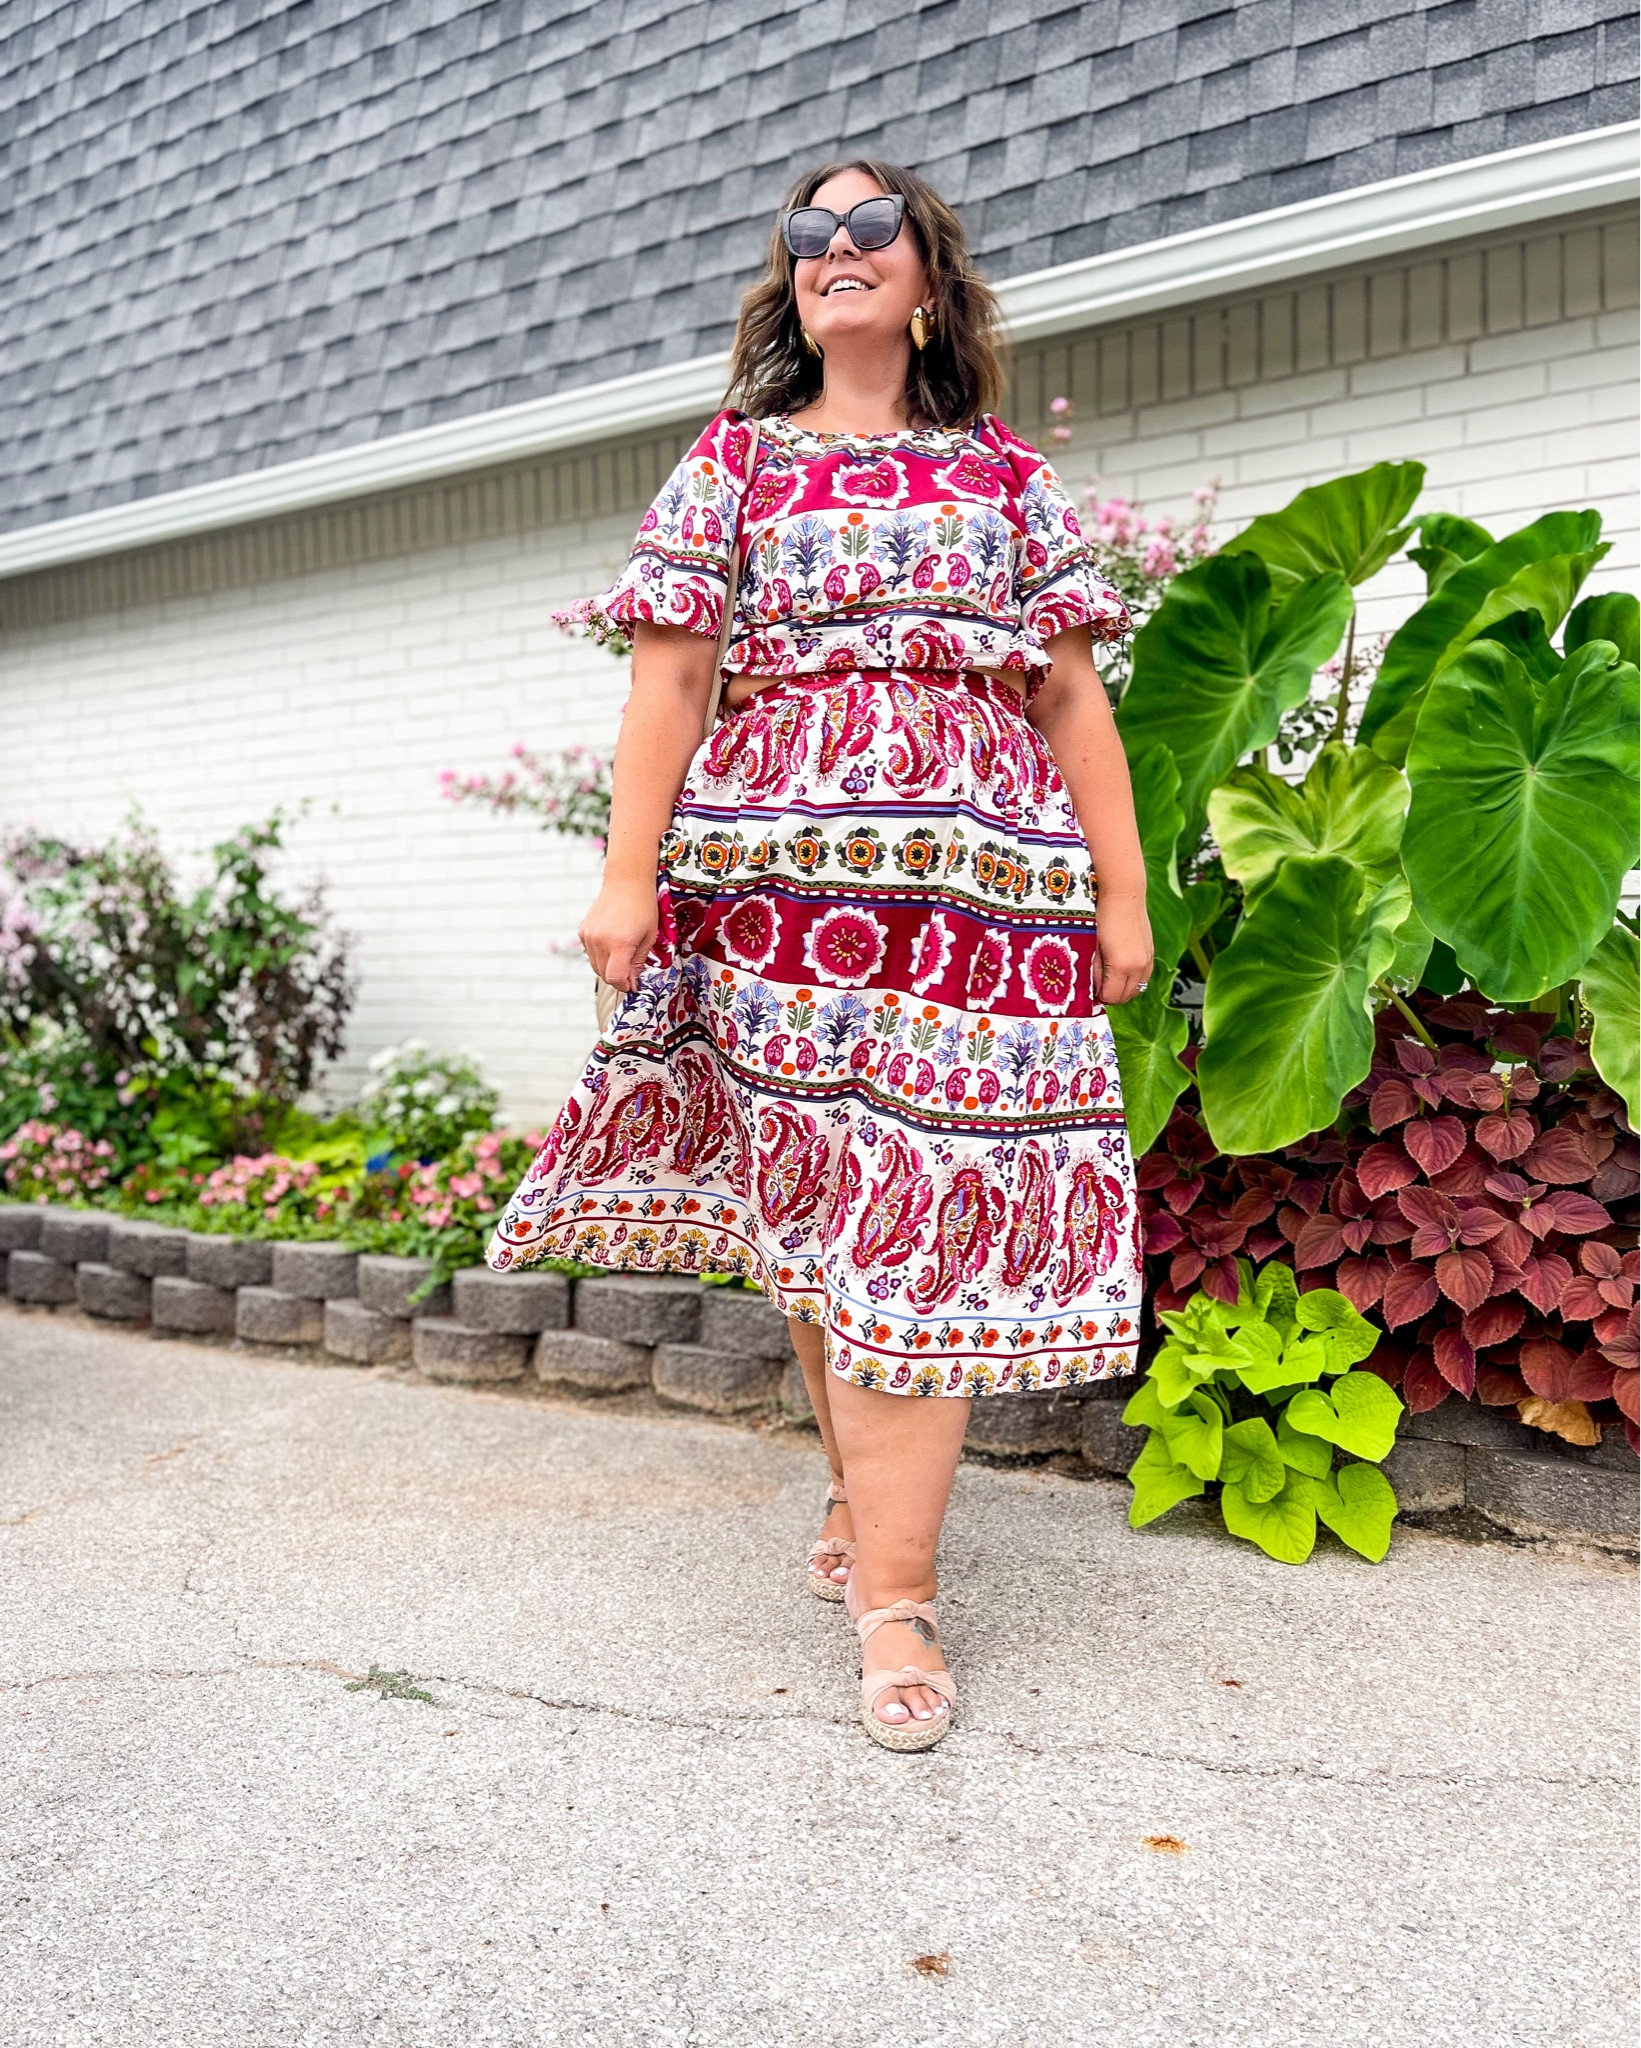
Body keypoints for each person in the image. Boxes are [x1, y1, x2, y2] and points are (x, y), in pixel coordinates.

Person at [488, 159, 1153, 1752]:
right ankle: (866, 1507)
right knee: (814, 1208)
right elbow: (669, 679)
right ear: (789, 281)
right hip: (769, 895)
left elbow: (1067, 698)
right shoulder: (732, 462)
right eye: (807, 235)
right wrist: (624, 874)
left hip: (974, 906)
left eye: (870, 229)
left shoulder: (1003, 481)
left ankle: (898, 1597)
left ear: (928, 279)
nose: (834, 252)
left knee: (915, 1209)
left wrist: (1120, 899)